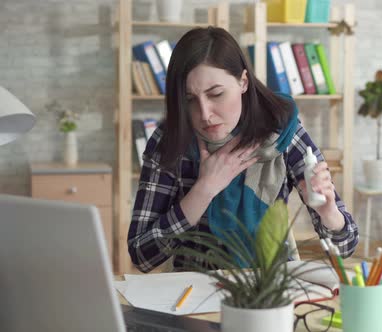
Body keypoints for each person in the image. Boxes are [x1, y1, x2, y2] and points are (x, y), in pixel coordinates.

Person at [127, 26, 358, 273]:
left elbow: (345, 247)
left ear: (243, 82)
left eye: (216, 94)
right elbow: (142, 255)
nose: (205, 114)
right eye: (189, 99)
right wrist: (204, 190)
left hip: (270, 287)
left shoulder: (282, 133)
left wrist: (329, 213)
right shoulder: (170, 140)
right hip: (193, 290)